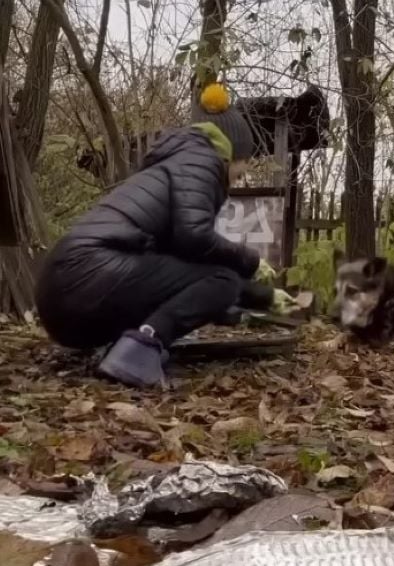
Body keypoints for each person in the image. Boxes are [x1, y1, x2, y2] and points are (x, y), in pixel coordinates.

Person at [35, 83, 294, 388]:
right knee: (223, 279)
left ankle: (126, 345)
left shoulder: (177, 161)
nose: (243, 174)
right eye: (244, 163)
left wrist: (264, 297)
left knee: (219, 280)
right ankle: (139, 351)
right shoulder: (202, 162)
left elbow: (186, 272)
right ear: (231, 152)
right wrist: (250, 261)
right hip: (87, 276)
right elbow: (194, 238)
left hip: (61, 296)